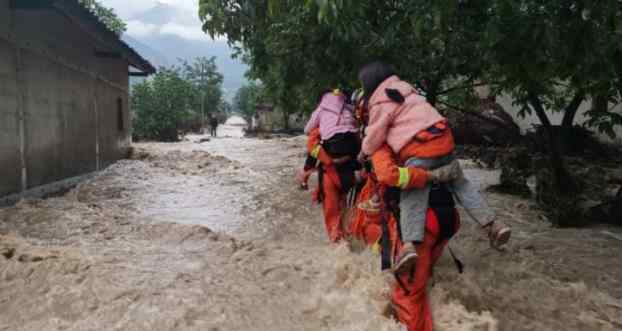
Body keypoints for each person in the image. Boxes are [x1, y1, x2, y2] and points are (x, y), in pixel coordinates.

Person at [356, 62, 511, 274]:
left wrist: (364, 151)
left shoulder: (379, 102)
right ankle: (493, 225)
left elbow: (375, 137)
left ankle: (409, 246)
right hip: (445, 143)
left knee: (413, 197)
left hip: (419, 151)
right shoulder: (410, 93)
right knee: (461, 184)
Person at [301, 89, 361, 243]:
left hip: (330, 170)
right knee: (351, 206)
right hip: (353, 167)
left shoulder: (320, 115)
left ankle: (337, 244)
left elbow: (308, 135)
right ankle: (350, 235)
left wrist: (305, 178)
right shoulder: (349, 109)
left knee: (332, 211)